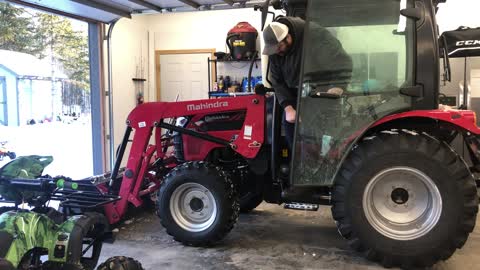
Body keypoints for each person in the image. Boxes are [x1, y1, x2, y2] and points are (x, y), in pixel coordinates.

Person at [262, 17, 352, 148]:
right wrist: (288, 108)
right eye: (274, 50)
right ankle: (298, 165)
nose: (277, 52)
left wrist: (337, 86)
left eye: (279, 47)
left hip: (322, 94)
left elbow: (342, 62)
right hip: (294, 96)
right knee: (292, 134)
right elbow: (278, 81)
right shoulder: (276, 51)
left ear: (287, 37)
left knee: (318, 140)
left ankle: (320, 164)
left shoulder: (316, 36)